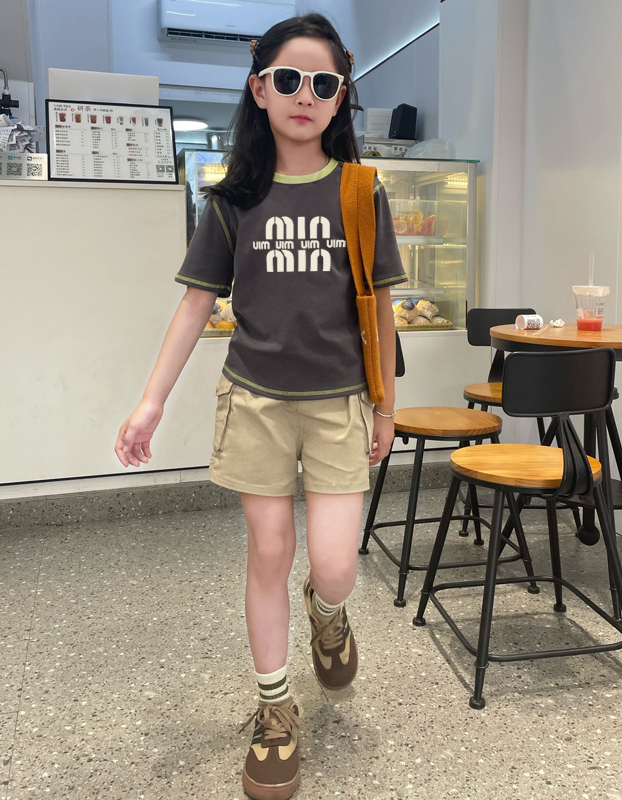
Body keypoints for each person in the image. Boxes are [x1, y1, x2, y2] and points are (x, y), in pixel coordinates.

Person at [115, 13, 407, 800]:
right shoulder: (233, 200)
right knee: (269, 551)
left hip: (341, 402)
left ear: (341, 97)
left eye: (323, 83)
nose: (304, 95)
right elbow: (194, 305)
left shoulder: (360, 191)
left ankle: (328, 612)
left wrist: (386, 409)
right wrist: (150, 403)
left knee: (337, 565)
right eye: (288, 79)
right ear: (259, 89)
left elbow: (381, 308)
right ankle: (275, 708)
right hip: (255, 401)